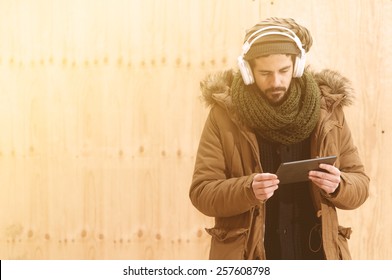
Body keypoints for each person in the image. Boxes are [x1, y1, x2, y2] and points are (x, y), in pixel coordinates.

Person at [189, 17, 369, 260]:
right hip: (250, 259)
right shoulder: (224, 115)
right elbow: (202, 193)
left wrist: (339, 185)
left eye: (284, 71)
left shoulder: (328, 111)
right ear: (248, 71)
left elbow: (360, 183)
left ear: (297, 66)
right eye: (265, 73)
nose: (276, 82)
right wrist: (247, 189)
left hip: (317, 256)